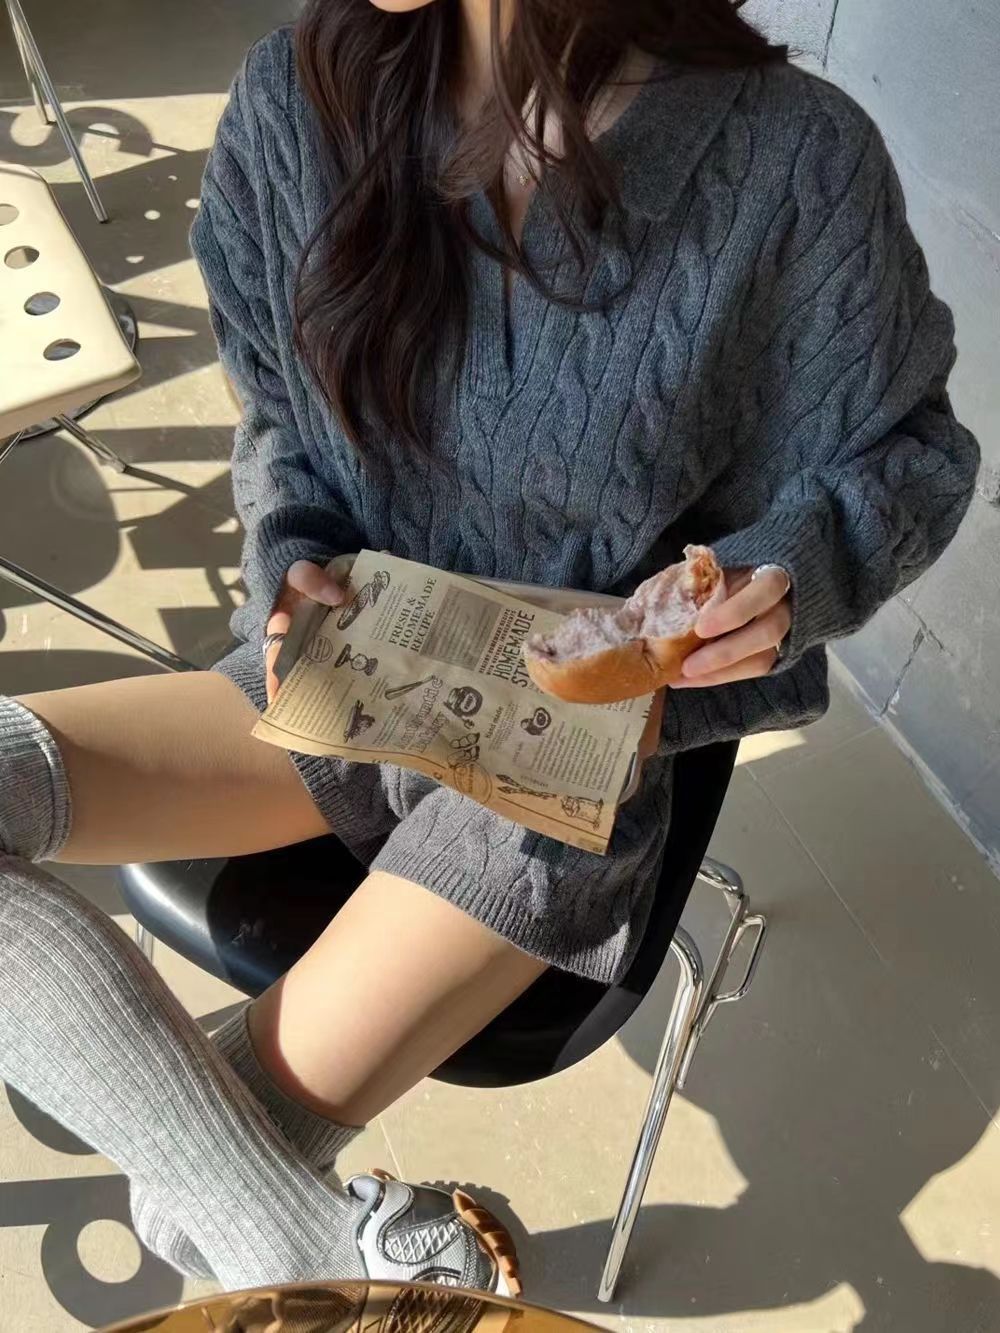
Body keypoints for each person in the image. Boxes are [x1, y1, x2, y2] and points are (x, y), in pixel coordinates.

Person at [0, 0, 979, 1299]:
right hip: (350, 668)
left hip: (561, 776)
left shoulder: (790, 161)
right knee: (227, 1182)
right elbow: (276, 405)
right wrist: (290, 546)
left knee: (203, 1188)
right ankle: (333, 1242)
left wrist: (786, 571)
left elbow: (902, 453)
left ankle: (317, 1235)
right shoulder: (299, 98)